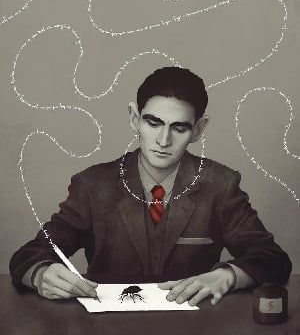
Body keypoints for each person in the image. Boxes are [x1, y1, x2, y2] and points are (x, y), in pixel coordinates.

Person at [9, 66, 292, 306]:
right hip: (105, 328)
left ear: (199, 129)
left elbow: (273, 259)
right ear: (135, 118)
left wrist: (229, 275)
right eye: (153, 123)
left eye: (179, 128)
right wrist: (40, 273)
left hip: (196, 327)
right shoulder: (92, 185)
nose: (163, 140)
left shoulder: (220, 185)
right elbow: (31, 254)